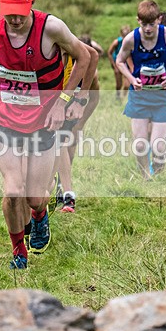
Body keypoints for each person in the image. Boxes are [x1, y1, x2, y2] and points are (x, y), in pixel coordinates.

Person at [0, 0, 90, 270]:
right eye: (8, 12)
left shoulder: (52, 28)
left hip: (43, 122)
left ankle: (39, 215)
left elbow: (85, 57)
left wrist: (65, 102)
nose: (14, 19)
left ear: (32, 4)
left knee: (35, 198)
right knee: (13, 191)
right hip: (4, 119)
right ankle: (18, 252)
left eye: (20, 14)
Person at [115, 0, 166, 178]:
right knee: (140, 145)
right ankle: (146, 177)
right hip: (140, 97)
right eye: (144, 24)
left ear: (159, 19)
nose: (148, 29)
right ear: (138, 20)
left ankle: (158, 171)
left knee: (158, 145)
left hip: (162, 97)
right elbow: (119, 61)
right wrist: (132, 79)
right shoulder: (131, 39)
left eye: (152, 24)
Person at [50, 35, 101, 213]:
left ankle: (64, 190)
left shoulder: (91, 74)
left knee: (66, 145)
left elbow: (94, 99)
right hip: (52, 101)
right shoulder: (55, 53)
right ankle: (61, 190)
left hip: (71, 107)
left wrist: (81, 121)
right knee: (57, 143)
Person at [106, 25, 131, 100]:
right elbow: (109, 52)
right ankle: (118, 96)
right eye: (124, 36)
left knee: (127, 85)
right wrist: (114, 65)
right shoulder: (117, 42)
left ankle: (124, 98)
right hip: (118, 64)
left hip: (127, 64)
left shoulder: (131, 42)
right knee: (119, 85)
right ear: (121, 35)